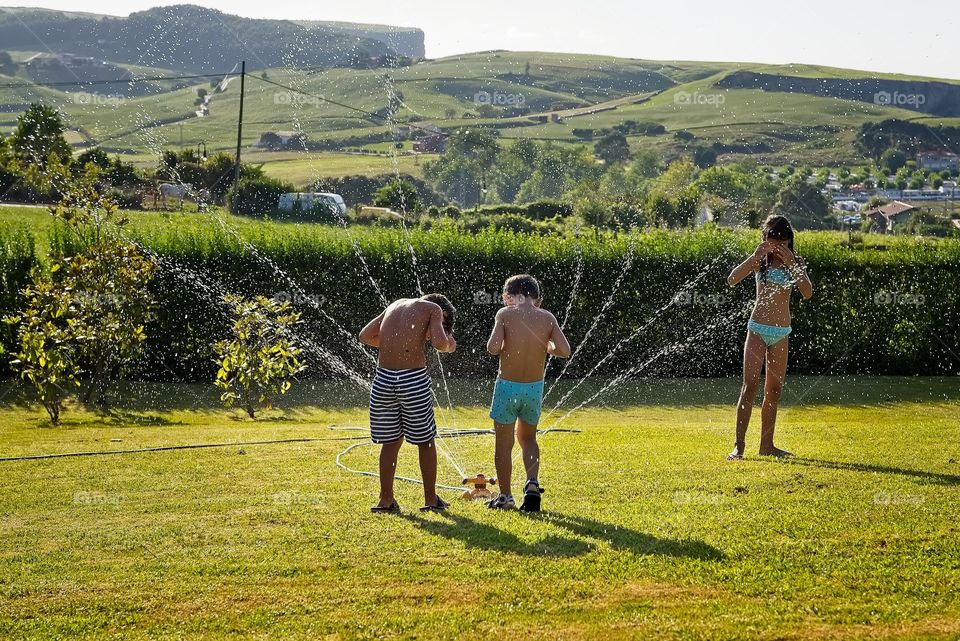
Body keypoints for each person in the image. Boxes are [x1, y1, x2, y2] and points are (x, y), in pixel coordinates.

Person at [358, 294, 457, 513]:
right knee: (426, 441)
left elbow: (365, 335)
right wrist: (449, 344)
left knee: (390, 441)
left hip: (383, 380)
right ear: (443, 315)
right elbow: (440, 343)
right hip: (412, 379)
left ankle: (386, 500)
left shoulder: (396, 304)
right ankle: (431, 499)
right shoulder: (433, 309)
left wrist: (395, 345)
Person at [726, 215, 813, 460]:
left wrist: (794, 264)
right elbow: (732, 279)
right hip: (757, 330)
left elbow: (807, 293)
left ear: (789, 242)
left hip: (781, 334)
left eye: (783, 244)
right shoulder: (760, 263)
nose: (779, 249)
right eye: (774, 243)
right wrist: (755, 256)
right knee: (749, 387)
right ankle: (739, 446)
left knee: (773, 392)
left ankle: (767, 446)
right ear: (766, 240)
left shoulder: (795, 263)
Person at [485, 275, 571, 511]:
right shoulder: (548, 317)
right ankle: (532, 485)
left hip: (507, 386)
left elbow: (492, 348)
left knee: (503, 444)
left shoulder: (504, 314)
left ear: (507, 297)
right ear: (538, 299)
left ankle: (505, 496)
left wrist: (505, 345)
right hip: (534, 388)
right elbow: (564, 350)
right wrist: (547, 346)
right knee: (528, 439)